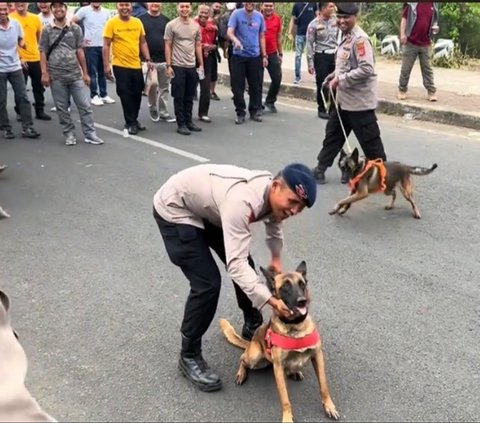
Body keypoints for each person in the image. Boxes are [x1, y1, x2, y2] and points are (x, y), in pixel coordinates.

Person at [153, 162, 317, 392]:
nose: (294, 211)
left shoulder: (273, 193)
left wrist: (276, 258)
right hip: (176, 209)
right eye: (292, 202)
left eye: (300, 208)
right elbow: (236, 265)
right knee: (207, 283)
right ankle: (188, 354)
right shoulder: (242, 202)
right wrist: (270, 300)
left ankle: (251, 324)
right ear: (277, 186)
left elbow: (274, 223)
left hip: (210, 209)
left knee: (247, 266)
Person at [311, 2, 387, 185]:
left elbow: (367, 69)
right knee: (333, 135)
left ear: (355, 17)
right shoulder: (342, 35)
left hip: (359, 103)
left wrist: (341, 79)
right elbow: (344, 64)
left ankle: (383, 175)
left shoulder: (360, 40)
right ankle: (321, 168)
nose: (342, 21)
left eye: (346, 17)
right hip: (343, 102)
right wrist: (333, 75)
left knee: (371, 142)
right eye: (340, 17)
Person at [39, 1, 104, 146]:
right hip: (56, 76)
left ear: (65, 9)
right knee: (62, 109)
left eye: (61, 6)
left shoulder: (75, 28)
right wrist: (44, 73)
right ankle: (69, 134)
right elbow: (42, 51)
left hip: (75, 74)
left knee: (85, 106)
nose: (58, 9)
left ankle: (90, 134)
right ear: (52, 10)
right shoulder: (47, 30)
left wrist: (85, 73)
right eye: (55, 7)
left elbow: (80, 50)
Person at [103, 2, 153, 135]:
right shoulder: (111, 23)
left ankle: (134, 120)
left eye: (127, 5)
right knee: (125, 94)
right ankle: (130, 122)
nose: (124, 7)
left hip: (136, 64)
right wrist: (106, 65)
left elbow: (142, 42)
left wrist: (148, 59)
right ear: (117, 7)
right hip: (120, 65)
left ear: (131, 7)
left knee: (137, 93)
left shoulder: (137, 22)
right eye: (121, 5)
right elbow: (106, 45)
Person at [0, 3, 41, 140]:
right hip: (0, 69)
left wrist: (23, 45)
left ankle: (28, 127)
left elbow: (20, 38)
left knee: (23, 97)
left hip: (15, 66)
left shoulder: (16, 24)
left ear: (8, 10)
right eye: (0, 10)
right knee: (1, 100)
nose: (3, 12)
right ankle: (6, 128)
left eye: (5, 9)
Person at [164, 2, 204, 136]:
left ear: (190, 9)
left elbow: (198, 45)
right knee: (179, 96)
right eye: (182, 6)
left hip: (191, 66)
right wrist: (169, 65)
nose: (184, 9)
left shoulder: (195, 25)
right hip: (177, 65)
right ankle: (181, 124)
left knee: (189, 96)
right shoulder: (171, 25)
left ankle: (189, 121)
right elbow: (168, 45)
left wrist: (201, 63)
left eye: (187, 6)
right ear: (177, 8)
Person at [10, 2, 52, 121]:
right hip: (18, 59)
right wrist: (19, 58)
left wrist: (43, 57)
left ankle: (40, 110)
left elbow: (40, 39)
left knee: (38, 87)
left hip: (36, 58)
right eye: (17, 3)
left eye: (23, 3)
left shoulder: (35, 18)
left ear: (27, 4)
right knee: (20, 88)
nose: (20, 5)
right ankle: (20, 112)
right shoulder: (10, 18)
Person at [227, 2, 268, 124]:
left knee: (255, 86)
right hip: (239, 56)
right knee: (237, 87)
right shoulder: (236, 14)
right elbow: (230, 32)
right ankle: (240, 112)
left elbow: (261, 36)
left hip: (254, 57)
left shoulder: (259, 16)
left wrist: (264, 55)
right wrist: (236, 40)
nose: (250, 4)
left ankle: (254, 111)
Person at [73, 2, 116, 106]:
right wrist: (81, 39)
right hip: (90, 46)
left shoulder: (106, 12)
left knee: (103, 71)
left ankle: (104, 94)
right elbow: (72, 22)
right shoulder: (84, 10)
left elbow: (110, 27)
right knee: (92, 72)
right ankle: (94, 95)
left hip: (104, 46)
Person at [139, 2, 175, 123]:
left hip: (164, 60)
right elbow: (139, 40)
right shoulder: (141, 20)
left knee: (164, 87)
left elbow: (169, 42)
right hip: (149, 60)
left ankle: (164, 112)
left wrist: (170, 61)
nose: (155, 4)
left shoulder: (166, 20)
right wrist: (144, 58)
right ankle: (153, 107)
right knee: (153, 85)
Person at [398, 2, 439, 102]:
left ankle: (431, 92)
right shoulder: (412, 3)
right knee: (406, 68)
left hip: (425, 42)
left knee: (427, 68)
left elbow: (434, 22)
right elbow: (404, 19)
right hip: (411, 42)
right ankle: (402, 90)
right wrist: (402, 34)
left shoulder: (433, 4)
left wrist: (436, 29)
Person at [306, 2, 337, 119]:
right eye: (330, 6)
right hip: (321, 56)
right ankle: (322, 108)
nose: (332, 8)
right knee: (323, 84)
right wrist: (310, 63)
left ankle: (333, 109)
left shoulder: (337, 21)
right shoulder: (313, 24)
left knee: (335, 83)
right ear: (323, 8)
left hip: (334, 56)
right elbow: (309, 44)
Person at [195, 4, 218, 123]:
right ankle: (184, 113)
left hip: (207, 59)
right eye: (201, 12)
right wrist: (203, 46)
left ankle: (203, 113)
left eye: (206, 13)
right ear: (198, 12)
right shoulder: (192, 24)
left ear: (209, 14)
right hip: (192, 58)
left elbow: (216, 43)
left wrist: (212, 47)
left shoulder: (213, 27)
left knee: (205, 87)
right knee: (189, 88)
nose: (203, 15)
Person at [261, 2, 283, 114]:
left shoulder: (277, 19)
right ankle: (257, 103)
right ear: (262, 6)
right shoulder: (257, 17)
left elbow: (279, 36)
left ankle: (270, 101)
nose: (268, 8)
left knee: (277, 78)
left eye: (270, 5)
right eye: (266, 5)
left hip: (273, 53)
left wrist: (281, 53)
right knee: (256, 80)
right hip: (258, 54)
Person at [288, 2, 317, 84]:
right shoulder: (296, 5)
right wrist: (290, 32)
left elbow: (318, 17)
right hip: (300, 34)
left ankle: (316, 75)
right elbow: (293, 19)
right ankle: (297, 77)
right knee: (298, 56)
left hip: (312, 34)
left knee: (313, 55)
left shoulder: (313, 4)